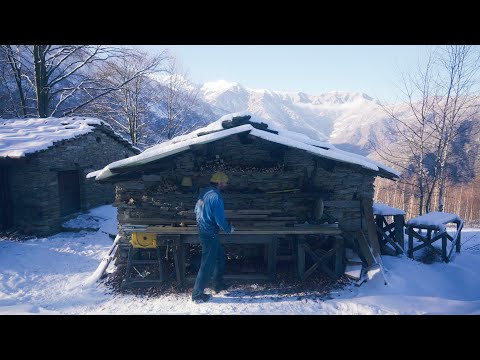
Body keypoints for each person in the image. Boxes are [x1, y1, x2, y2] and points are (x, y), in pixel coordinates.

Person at [191, 171, 234, 303]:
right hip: (210, 234)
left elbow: (196, 210)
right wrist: (229, 229)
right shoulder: (216, 197)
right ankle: (197, 294)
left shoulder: (204, 192)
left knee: (220, 258)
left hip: (204, 230)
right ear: (219, 183)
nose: (226, 185)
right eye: (225, 182)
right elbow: (220, 220)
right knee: (207, 264)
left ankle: (218, 285)